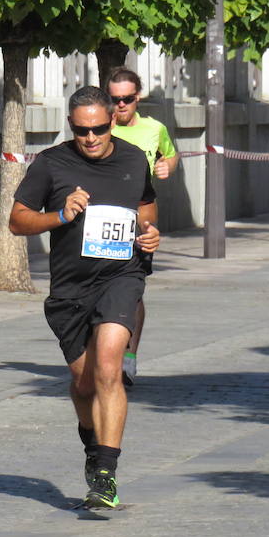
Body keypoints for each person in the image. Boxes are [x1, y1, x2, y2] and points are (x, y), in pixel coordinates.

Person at [8, 85, 160, 508]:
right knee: (84, 382)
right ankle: (93, 447)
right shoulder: (51, 165)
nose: (90, 138)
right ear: (71, 127)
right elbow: (17, 222)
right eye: (81, 131)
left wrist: (149, 234)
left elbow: (146, 206)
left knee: (110, 366)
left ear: (112, 120)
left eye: (97, 128)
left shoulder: (132, 158)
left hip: (122, 275)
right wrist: (60, 215)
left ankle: (106, 475)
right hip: (70, 289)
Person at [106, 67, 179, 386]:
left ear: (138, 97)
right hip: (103, 220)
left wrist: (166, 166)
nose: (121, 105)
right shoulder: (97, 129)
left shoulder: (154, 128)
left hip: (140, 222)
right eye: (115, 99)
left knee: (133, 291)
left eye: (128, 99)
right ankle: (105, 352)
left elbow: (171, 154)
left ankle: (129, 357)